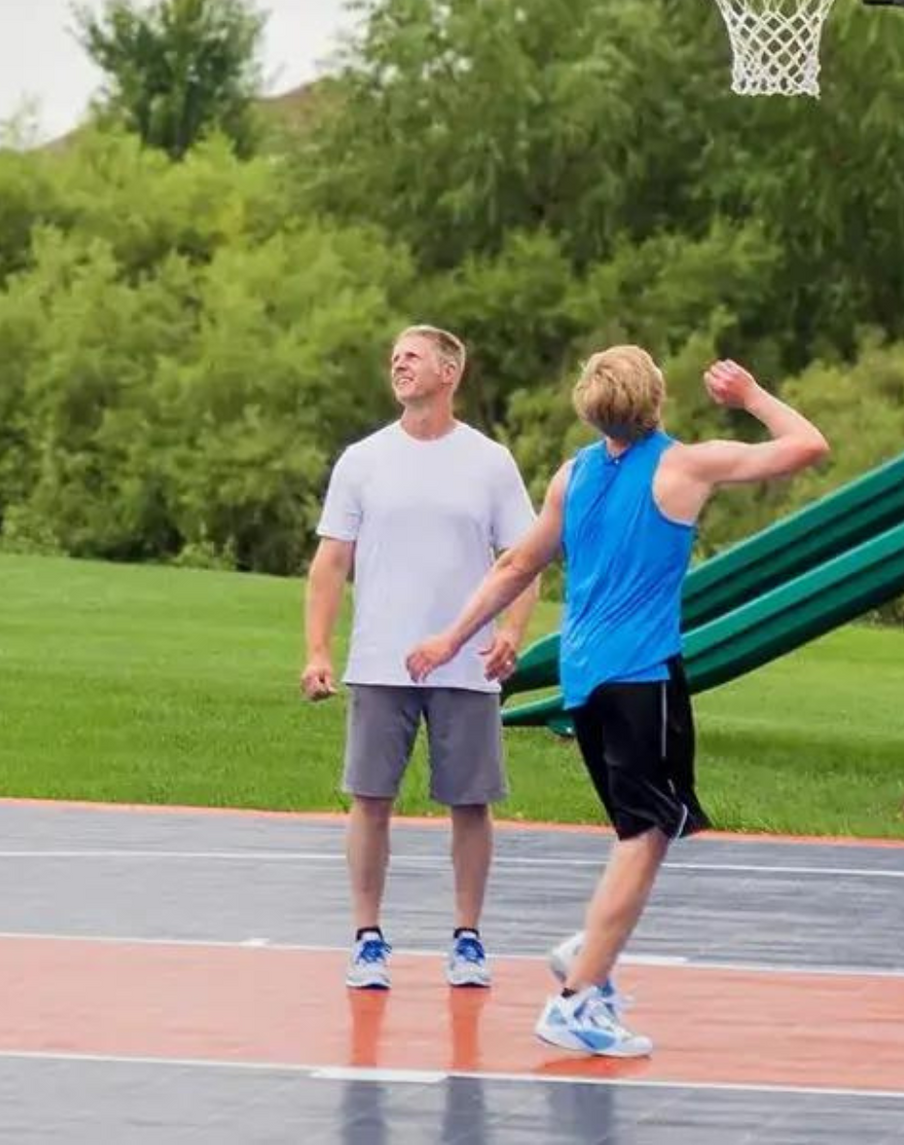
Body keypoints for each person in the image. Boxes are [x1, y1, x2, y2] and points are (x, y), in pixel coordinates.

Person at [406, 348, 829, 1054]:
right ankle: (574, 999)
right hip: (642, 676)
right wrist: (751, 393)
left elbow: (516, 564)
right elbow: (808, 446)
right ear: (655, 398)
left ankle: (590, 960)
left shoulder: (573, 476)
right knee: (644, 838)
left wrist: (451, 637)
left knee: (642, 832)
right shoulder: (685, 465)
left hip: (587, 681)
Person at [301, 324, 540, 991]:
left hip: (466, 667)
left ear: (449, 372)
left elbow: (525, 560)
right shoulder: (363, 459)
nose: (398, 364)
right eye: (394, 357)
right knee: (370, 797)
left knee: (470, 802)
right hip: (380, 662)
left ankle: (467, 937)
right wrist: (318, 649)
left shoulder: (489, 463)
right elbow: (330, 562)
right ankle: (367, 938)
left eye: (413, 356)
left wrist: (511, 636)